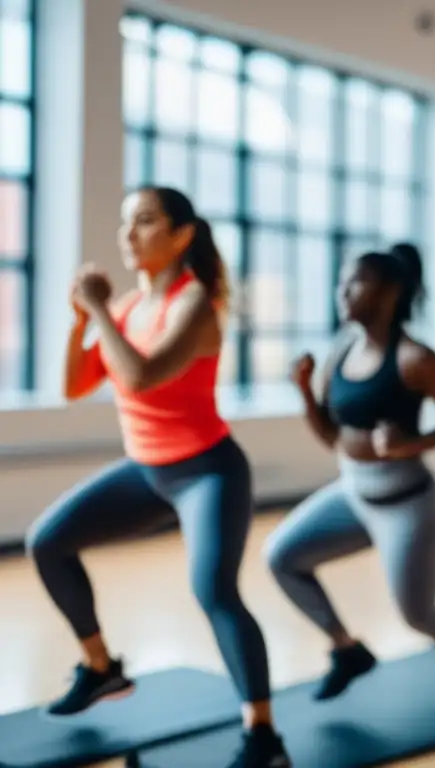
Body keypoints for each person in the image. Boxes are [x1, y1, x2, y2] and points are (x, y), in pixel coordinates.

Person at [27, 187, 289, 768]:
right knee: (47, 541)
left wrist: (97, 310)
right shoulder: (125, 309)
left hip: (207, 473)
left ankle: (263, 736)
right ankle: (100, 668)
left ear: (181, 235)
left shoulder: (195, 302)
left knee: (214, 592)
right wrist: (80, 323)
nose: (128, 235)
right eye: (126, 222)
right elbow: (74, 386)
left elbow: (141, 376)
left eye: (144, 222)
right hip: (147, 470)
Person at [264, 244, 435, 709]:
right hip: (354, 494)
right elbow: (332, 437)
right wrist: (304, 394)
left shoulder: (414, 359)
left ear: (390, 292)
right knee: (283, 557)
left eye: (355, 282)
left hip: (409, 507)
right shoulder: (341, 351)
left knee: (418, 615)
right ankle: (346, 650)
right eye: (342, 282)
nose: (342, 291)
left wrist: (414, 445)